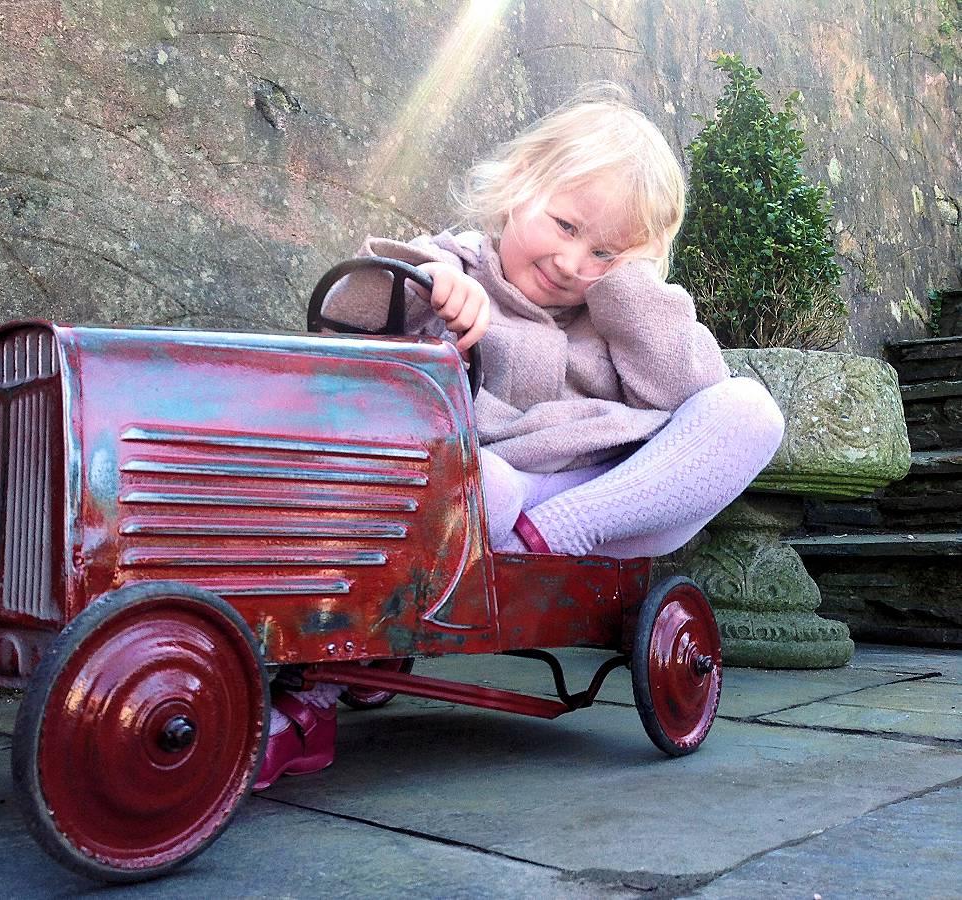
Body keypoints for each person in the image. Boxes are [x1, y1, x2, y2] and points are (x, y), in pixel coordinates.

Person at [252, 84, 786, 791]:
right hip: (491, 496)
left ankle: (558, 530)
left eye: (604, 252)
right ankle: (314, 688)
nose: (572, 263)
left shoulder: (618, 312)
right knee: (470, 485)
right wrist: (429, 284)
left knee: (750, 409)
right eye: (564, 226)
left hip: (610, 503)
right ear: (516, 191)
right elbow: (344, 326)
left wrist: (627, 286)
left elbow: (689, 394)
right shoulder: (455, 265)